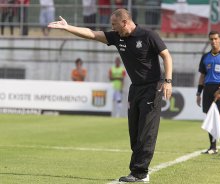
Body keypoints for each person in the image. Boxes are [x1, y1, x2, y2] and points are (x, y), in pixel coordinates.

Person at [48, 8, 173, 182]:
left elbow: (166, 56)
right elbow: (91, 33)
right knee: (135, 132)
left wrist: (167, 81)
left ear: (124, 22)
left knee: (146, 131)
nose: (112, 28)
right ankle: (140, 170)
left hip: (153, 87)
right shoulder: (117, 37)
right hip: (135, 88)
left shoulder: (148, 35)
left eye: (114, 24)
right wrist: (68, 27)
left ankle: (139, 172)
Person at [196, 30, 220, 156]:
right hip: (208, 90)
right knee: (211, 118)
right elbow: (202, 75)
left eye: (215, 39)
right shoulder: (205, 57)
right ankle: (212, 147)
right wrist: (198, 93)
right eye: (211, 39)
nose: (213, 41)